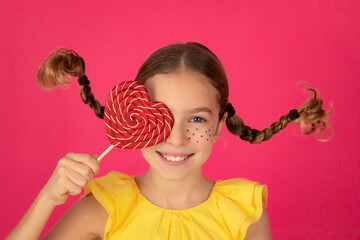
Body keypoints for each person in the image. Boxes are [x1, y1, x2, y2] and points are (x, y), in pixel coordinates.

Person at [7, 42, 333, 240]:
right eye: (161, 116)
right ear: (133, 115)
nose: (175, 139)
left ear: (220, 123)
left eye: (196, 119)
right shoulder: (106, 206)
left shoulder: (244, 210)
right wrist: (47, 199)